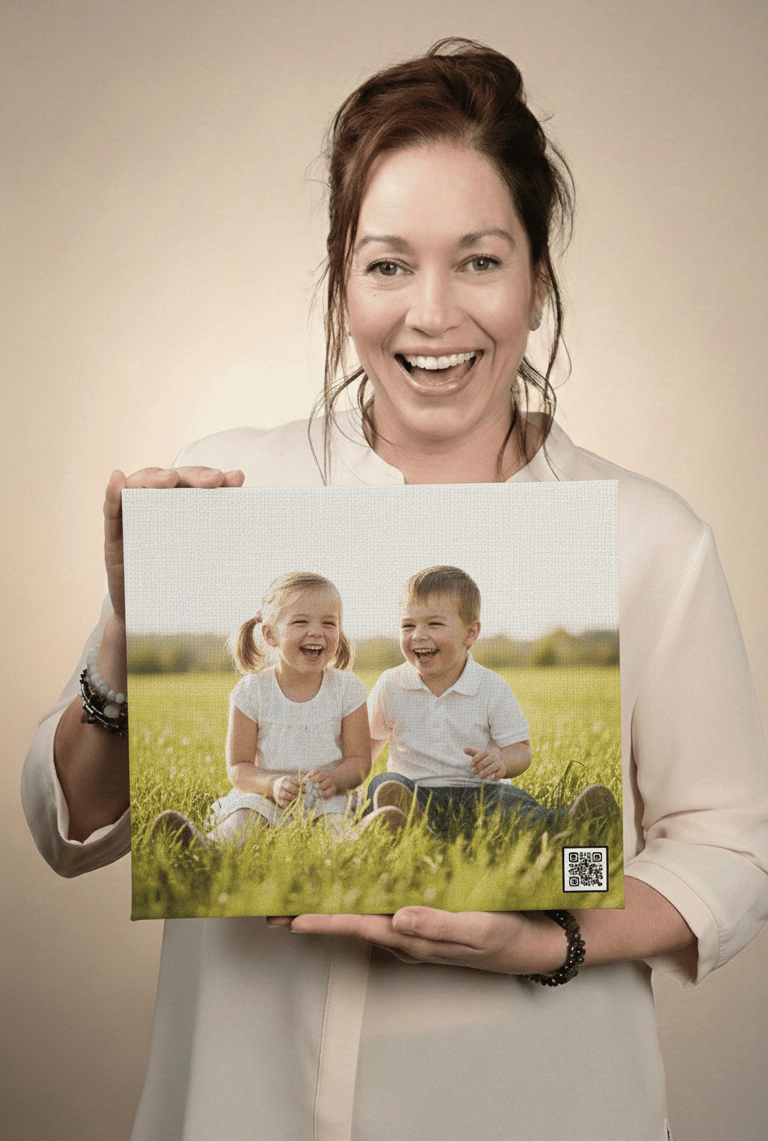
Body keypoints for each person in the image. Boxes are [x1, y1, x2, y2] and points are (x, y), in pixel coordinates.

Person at [21, 38, 768, 1141]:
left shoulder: (650, 535)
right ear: (342, 277)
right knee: (290, 812)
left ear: (535, 278)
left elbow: (733, 848)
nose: (432, 314)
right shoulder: (229, 487)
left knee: (485, 807)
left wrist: (552, 940)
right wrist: (135, 621)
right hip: (243, 1104)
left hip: (539, 1101)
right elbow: (67, 825)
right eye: (387, 264)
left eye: (478, 260)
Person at [365, 563, 617, 834]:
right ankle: (402, 824)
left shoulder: (491, 687)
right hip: (416, 791)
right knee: (384, 782)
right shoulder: (391, 684)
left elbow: (521, 750)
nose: (418, 635)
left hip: (478, 791)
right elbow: (364, 748)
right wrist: (341, 781)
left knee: (509, 804)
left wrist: (501, 760)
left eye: (434, 624)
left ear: (470, 633)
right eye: (408, 625)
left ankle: (567, 824)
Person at [151, 571, 371, 849]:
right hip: (266, 797)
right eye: (301, 621)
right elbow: (238, 768)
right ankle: (208, 849)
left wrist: (337, 779)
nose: (316, 631)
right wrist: (271, 784)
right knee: (245, 817)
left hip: (330, 797)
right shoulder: (251, 692)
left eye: (329, 623)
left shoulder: (348, 689)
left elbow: (360, 761)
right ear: (270, 634)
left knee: (335, 826)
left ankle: (363, 842)